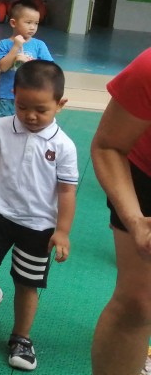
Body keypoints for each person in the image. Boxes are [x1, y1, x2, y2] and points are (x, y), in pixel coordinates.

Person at [0, 60, 77, 371]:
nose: (30, 115)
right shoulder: (2, 127)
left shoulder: (63, 146)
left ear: (60, 104)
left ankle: (21, 337)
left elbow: (67, 192)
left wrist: (62, 231)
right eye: (22, 106)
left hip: (38, 226)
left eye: (41, 109)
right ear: (13, 96)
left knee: (27, 283)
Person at [91, 48, 151, 375]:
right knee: (138, 301)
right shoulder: (148, 69)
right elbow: (108, 145)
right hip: (145, 172)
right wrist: (136, 221)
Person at [0, 0, 52, 118]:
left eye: (36, 23)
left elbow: (50, 69)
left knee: (26, 124)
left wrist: (30, 64)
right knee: (3, 124)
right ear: (13, 23)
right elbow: (3, 67)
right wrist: (15, 47)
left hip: (31, 95)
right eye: (28, 22)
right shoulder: (4, 44)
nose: (32, 27)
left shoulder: (39, 45)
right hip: (7, 96)